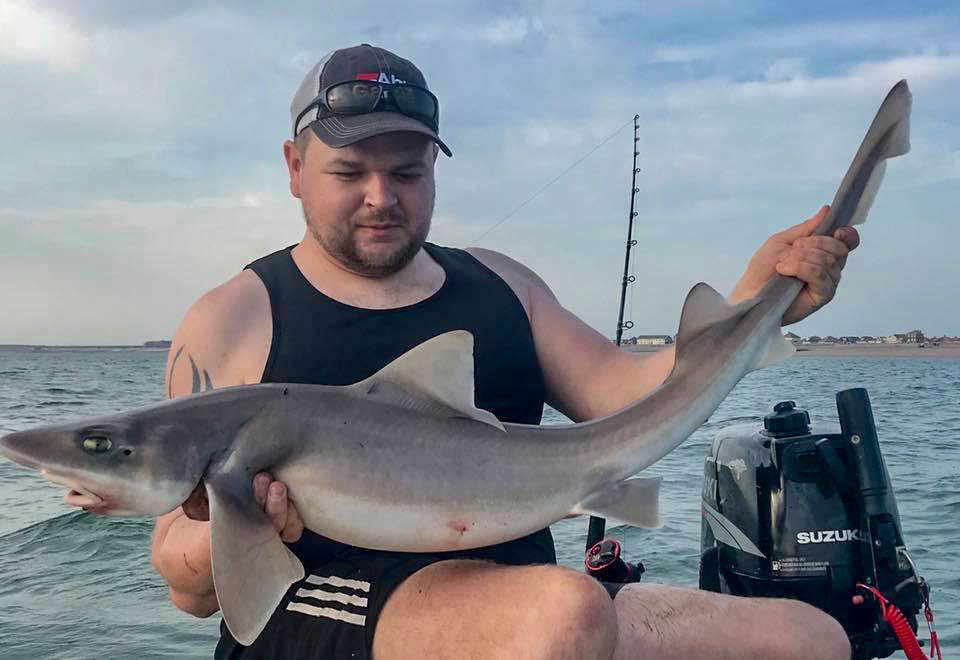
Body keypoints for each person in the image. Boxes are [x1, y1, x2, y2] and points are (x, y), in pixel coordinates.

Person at [138, 44, 860, 659]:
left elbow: (633, 401)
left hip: (527, 598)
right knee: (560, 616)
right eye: (349, 172)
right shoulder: (233, 320)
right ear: (295, 167)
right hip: (321, 611)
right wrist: (244, 524)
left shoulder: (502, 287)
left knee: (812, 639)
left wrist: (751, 307)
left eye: (407, 172)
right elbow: (185, 588)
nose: (381, 196)